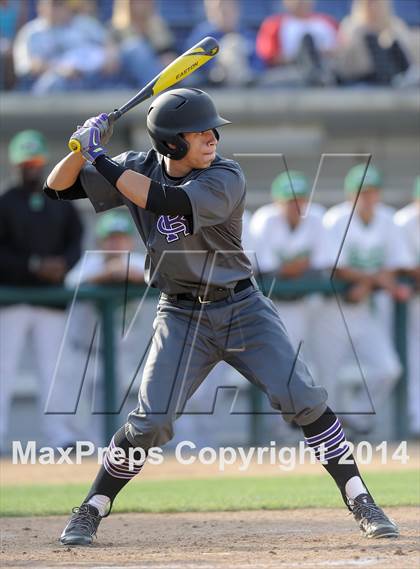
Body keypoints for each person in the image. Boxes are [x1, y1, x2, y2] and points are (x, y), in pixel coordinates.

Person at [44, 89, 398, 545]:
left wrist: (102, 157)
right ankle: (92, 506)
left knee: (303, 396)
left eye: (213, 130)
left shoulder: (225, 175)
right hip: (180, 314)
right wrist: (79, 147)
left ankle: (360, 498)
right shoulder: (136, 166)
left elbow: (164, 202)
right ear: (171, 143)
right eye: (200, 132)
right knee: (150, 422)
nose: (213, 137)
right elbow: (57, 187)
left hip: (242, 307)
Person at [0, 129, 83, 451]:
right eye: (26, 163)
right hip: (13, 299)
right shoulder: (5, 202)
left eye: (35, 162)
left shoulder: (60, 201)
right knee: (4, 367)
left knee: (55, 369)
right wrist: (33, 265)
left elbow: (75, 242)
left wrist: (63, 264)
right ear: (15, 165)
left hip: (52, 300)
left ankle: (58, 435)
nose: (31, 168)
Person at [319, 163, 412, 433]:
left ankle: (356, 416)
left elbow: (398, 262)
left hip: (365, 308)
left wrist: (368, 281)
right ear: (351, 195)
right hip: (332, 310)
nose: (368, 197)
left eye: (372, 191)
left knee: (389, 368)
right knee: (326, 378)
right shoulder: (336, 218)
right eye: (362, 192)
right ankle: (320, 438)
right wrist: (373, 279)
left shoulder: (387, 218)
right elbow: (333, 265)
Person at [250, 171, 330, 374]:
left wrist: (292, 269)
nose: (296, 205)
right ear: (277, 201)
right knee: (278, 367)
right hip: (274, 304)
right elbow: (267, 270)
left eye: (300, 199)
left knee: (315, 367)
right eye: (290, 200)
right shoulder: (264, 220)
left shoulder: (317, 215)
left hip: (308, 303)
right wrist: (299, 266)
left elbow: (322, 266)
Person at [13, 0, 118, 93]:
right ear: (41, 7)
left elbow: (108, 43)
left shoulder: (84, 23)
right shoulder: (31, 31)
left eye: (60, 4)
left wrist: (109, 58)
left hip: (92, 77)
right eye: (52, 4)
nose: (56, 9)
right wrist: (60, 69)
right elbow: (30, 65)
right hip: (54, 82)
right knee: (53, 82)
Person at [334, 0, 416, 86]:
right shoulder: (351, 26)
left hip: (393, 81)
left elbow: (409, 62)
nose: (373, 6)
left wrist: (388, 35)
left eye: (376, 2)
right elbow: (346, 67)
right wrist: (364, 33)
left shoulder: (395, 25)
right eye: (369, 3)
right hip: (360, 82)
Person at [256, 0, 338, 86]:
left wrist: (319, 53)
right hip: (290, 72)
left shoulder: (327, 22)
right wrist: (299, 57)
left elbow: (339, 50)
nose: (301, 2)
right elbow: (269, 57)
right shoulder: (274, 24)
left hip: (326, 70)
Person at [394, 177, 420, 437]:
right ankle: (416, 421)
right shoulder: (404, 221)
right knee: (413, 359)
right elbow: (404, 267)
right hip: (411, 303)